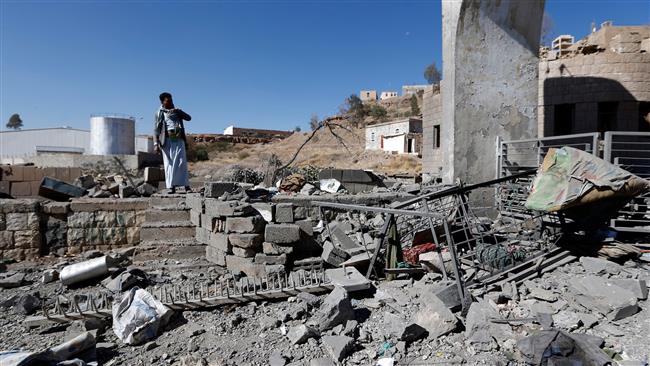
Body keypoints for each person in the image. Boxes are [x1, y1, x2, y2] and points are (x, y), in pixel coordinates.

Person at [154, 92, 192, 194]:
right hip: (166, 140)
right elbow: (156, 129)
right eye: (168, 101)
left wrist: (179, 111)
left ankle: (186, 186)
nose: (171, 102)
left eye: (171, 100)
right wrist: (155, 144)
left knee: (181, 162)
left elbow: (189, 118)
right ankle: (171, 187)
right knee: (169, 164)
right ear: (163, 102)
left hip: (178, 139)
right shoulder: (159, 112)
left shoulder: (176, 111)